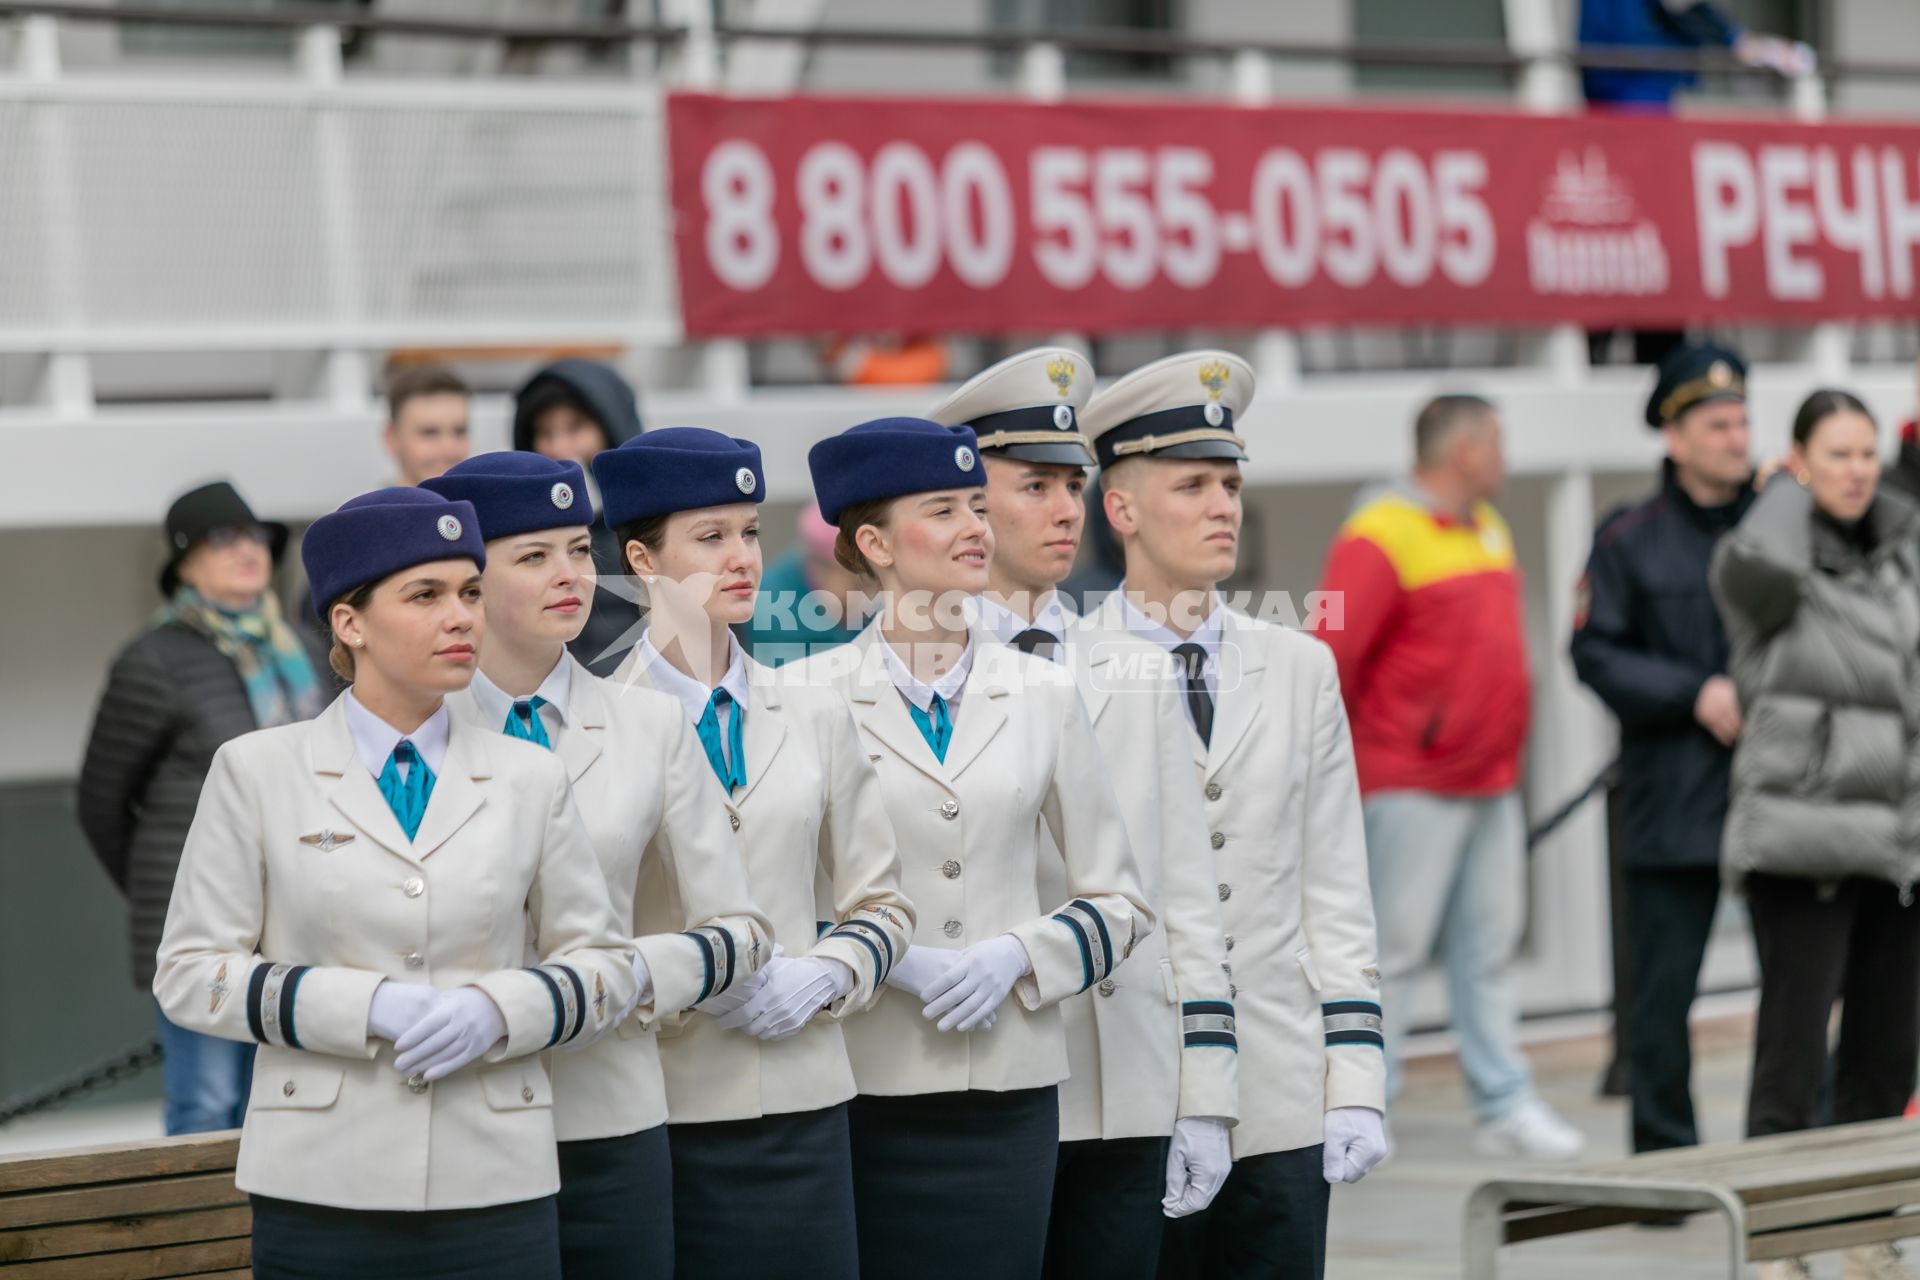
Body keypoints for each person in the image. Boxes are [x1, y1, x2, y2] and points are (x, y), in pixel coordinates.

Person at [151, 486, 638, 1280]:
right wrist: (364, 1004)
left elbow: (605, 965)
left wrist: (498, 1009)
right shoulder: (258, 771)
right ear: (349, 622)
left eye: (471, 592)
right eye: (426, 595)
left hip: (498, 1179)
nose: (462, 617)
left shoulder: (531, 778)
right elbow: (189, 973)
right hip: (318, 1183)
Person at [788, 416, 1154, 1280]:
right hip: (863, 1078)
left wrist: (1015, 955)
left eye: (976, 508)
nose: (975, 530)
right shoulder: (803, 697)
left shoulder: (1043, 691)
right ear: (874, 542)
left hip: (1010, 1086)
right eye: (944, 509)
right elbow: (781, 892)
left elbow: (1122, 901)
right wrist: (886, 960)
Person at [422, 451, 770, 1279]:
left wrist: (612, 977)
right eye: (533, 556)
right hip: (453, 1115)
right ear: (467, 580)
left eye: (580, 549)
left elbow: (741, 931)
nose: (570, 574)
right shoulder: (411, 735)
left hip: (609, 1113)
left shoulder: (649, 726)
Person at [928, 348, 1239, 1276]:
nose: (1067, 511)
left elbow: (1188, 896)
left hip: (1132, 1086)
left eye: (1075, 485)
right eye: (1036, 487)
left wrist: (1207, 1093)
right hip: (989, 1084)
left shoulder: (1134, 665)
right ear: (971, 502)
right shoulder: (921, 674)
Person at [1080, 351, 1387, 1279]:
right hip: (1136, 1095)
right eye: (1193, 485)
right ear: (1122, 509)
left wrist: (1357, 1080)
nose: (1223, 505)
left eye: (1230, 483)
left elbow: (1335, 886)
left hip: (1285, 1087)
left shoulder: (1299, 667)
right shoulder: (1062, 673)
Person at [592, 428, 915, 1280]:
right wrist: (688, 976)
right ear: (642, 559)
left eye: (748, 532)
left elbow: (882, 902)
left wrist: (829, 973)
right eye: (710, 537)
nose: (740, 557)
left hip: (807, 1098)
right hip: (660, 1105)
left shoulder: (811, 711)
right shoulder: (587, 730)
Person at [1311, 393, 1584, 1162]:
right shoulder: (1375, 536)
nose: (1507, 458)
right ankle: (1368, 1108)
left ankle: (1504, 1105)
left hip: (1490, 783)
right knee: (1387, 956)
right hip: (1409, 784)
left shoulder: (1488, 529)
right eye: (1497, 442)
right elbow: (1325, 657)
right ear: (1464, 451)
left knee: (1486, 954)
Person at [1711, 389, 1920, 1280]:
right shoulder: (1765, 558)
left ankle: (1864, 1228)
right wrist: (1784, 494)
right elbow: (1756, 563)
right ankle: (1773, 1241)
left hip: (1898, 842)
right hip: (1804, 842)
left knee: (1885, 1055)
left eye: (1866, 453)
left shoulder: (1901, 553)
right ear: (1797, 462)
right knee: (1792, 1060)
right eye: (1836, 454)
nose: (1857, 470)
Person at [79, 480, 333, 1136]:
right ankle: (202, 1244)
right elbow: (101, 803)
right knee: (208, 1105)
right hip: (203, 925)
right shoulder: (154, 658)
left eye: (255, 537)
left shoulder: (303, 650)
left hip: (298, 906)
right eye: (224, 540)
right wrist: (168, 895)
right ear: (185, 564)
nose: (247, 550)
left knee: (282, 1098)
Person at [1570, 344, 1756, 1155]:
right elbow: (1595, 652)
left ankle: (1807, 1150)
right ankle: (1668, 1168)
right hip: (1672, 792)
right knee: (1660, 1001)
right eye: (1717, 423)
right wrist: (1696, 692)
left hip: (1778, 793)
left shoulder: (1785, 525)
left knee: (1811, 986)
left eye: (1742, 419)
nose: (1736, 436)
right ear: (1674, 437)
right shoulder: (1628, 539)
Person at [512, 359, 646, 676]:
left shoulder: (652, 519)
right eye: (545, 433)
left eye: (575, 428)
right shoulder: (514, 531)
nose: (560, 447)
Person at [744, 503, 868, 666]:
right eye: (857, 583)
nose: (866, 594)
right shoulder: (771, 605)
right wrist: (833, 623)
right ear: (823, 571)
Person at [383, 364, 472, 487]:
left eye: (459, 432)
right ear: (391, 439)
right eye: (429, 433)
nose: (449, 448)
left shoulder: (485, 506)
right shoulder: (364, 506)